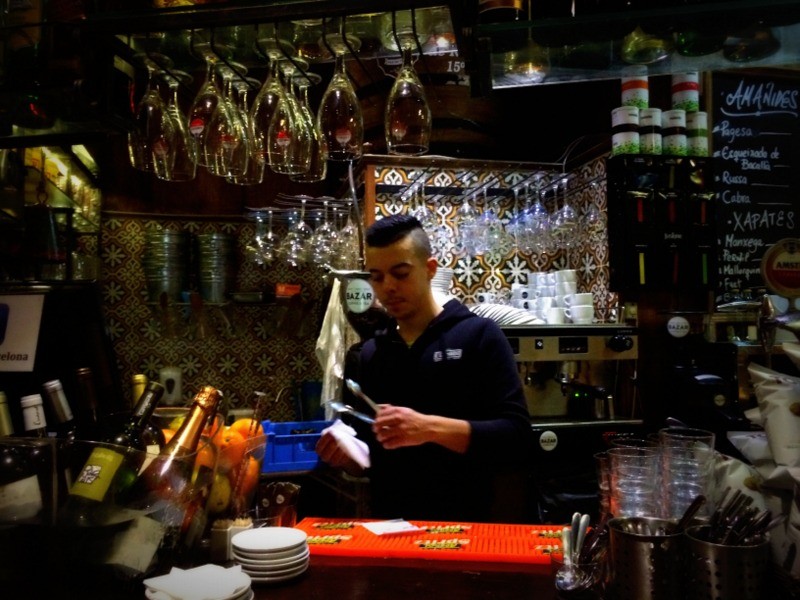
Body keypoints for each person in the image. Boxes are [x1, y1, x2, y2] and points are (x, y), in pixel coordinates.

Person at [316, 214, 533, 523]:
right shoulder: (371, 353)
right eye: (377, 277)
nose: (388, 287)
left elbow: (516, 439)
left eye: (400, 273)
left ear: (430, 269)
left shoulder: (478, 336)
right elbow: (368, 459)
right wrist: (346, 455)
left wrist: (428, 428)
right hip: (391, 528)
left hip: (466, 526)